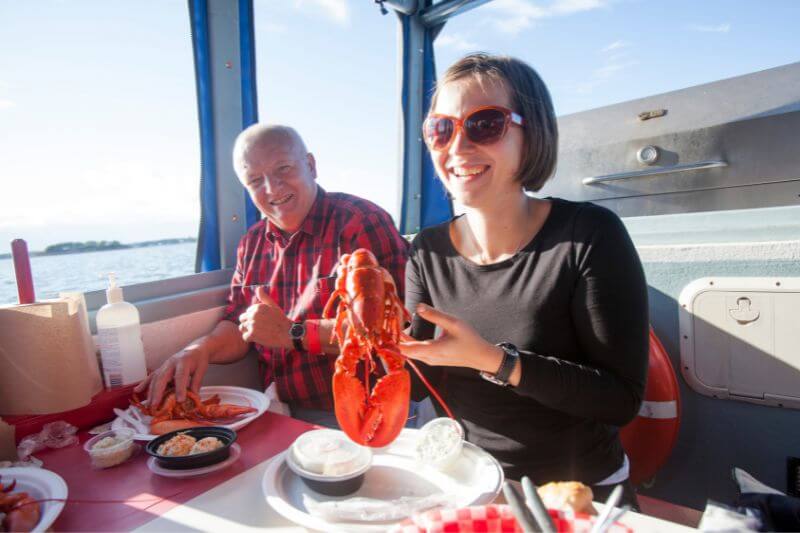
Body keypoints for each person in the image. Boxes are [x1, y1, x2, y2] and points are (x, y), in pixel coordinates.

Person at [399, 53, 649, 507]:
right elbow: (415, 381)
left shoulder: (589, 235)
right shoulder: (426, 251)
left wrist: (496, 361)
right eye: (440, 128)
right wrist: (366, 339)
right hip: (471, 485)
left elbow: (621, 399)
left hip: (578, 493)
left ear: (531, 133)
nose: (456, 147)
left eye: (485, 124)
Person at [136, 124, 409, 427]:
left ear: (311, 165)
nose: (272, 188)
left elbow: (395, 332)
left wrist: (291, 333)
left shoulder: (361, 222)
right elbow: (240, 325)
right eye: (255, 180)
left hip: (369, 407)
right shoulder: (251, 244)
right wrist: (200, 349)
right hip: (280, 409)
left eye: (283, 168)